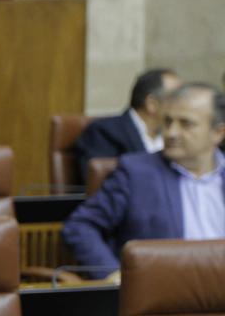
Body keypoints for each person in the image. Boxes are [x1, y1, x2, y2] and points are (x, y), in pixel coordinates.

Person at [63, 82, 225, 280]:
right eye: (167, 122)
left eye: (186, 124)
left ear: (218, 133)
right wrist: (111, 273)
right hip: (162, 294)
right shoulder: (136, 172)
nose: (171, 133)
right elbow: (80, 226)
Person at [74, 67, 181, 180]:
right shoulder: (103, 132)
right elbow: (104, 185)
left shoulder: (174, 135)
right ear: (152, 104)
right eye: (177, 98)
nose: (185, 104)